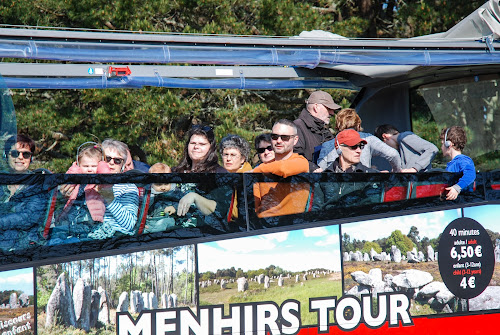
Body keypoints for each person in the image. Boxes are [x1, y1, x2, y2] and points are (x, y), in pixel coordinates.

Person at [173, 125, 233, 232]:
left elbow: (219, 211)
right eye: (193, 143)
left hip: (203, 235)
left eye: (202, 144)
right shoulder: (175, 172)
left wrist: (195, 197)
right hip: (172, 233)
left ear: (210, 147)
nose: (196, 147)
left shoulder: (219, 174)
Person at [252, 119, 310, 218]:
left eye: (285, 137)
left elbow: (283, 169)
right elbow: (254, 207)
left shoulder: (301, 162)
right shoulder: (262, 170)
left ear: (295, 140)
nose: (279, 141)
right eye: (275, 137)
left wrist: (253, 172)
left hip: (294, 226)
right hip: (264, 226)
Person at [0, 134, 48, 251]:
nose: (20, 157)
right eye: (15, 153)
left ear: (30, 159)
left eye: (25, 154)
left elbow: (29, 217)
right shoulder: (2, 182)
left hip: (25, 244)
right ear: (6, 156)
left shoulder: (38, 185)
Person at [318, 108, 401, 172]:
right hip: (363, 186)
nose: (358, 150)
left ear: (337, 126)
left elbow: (320, 169)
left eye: (360, 146)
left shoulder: (328, 144)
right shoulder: (368, 138)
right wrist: (395, 173)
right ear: (358, 125)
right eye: (354, 146)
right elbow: (393, 154)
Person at [55, 143, 110, 238]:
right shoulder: (76, 181)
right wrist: (75, 168)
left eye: (93, 166)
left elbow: (107, 178)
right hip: (74, 218)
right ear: (79, 166)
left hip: (92, 222)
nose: (89, 170)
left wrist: (103, 166)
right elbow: (68, 178)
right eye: (85, 166)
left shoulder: (99, 182)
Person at [87, 139, 139, 239]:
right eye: (107, 158)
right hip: (88, 235)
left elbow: (129, 225)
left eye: (117, 160)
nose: (111, 163)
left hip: (115, 239)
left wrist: (110, 199)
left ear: (122, 166)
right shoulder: (88, 183)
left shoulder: (128, 187)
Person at [293, 90, 339, 171]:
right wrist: (313, 169)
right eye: (329, 108)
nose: (332, 113)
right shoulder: (297, 127)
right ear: (316, 107)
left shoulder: (325, 131)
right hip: (305, 181)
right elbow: (294, 156)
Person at [145, 163, 195, 233]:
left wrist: (174, 208)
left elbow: (186, 204)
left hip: (170, 219)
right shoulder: (147, 195)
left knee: (164, 223)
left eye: (166, 184)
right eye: (159, 184)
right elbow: (142, 209)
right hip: (151, 221)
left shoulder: (175, 192)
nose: (163, 187)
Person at [440, 126, 476, 200]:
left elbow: (470, 174)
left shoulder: (462, 160)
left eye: (442, 143)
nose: (441, 147)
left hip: (462, 203)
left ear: (449, 144)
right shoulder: (453, 163)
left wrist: (457, 188)